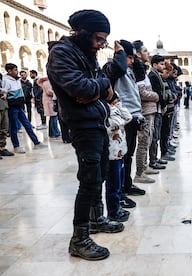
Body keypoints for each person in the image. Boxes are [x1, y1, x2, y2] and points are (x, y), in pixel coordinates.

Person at [47, 9, 124, 261]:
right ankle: (79, 239)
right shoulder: (61, 53)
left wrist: (98, 88)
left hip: (96, 121)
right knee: (89, 179)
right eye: (99, 39)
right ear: (83, 33)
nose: (101, 45)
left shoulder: (86, 53)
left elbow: (99, 83)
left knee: (99, 174)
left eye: (104, 41)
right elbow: (81, 87)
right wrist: (101, 87)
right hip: (82, 125)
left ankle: (96, 218)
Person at [103, 39, 147, 197]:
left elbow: (141, 73)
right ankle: (120, 191)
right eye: (129, 57)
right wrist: (120, 53)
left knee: (129, 155)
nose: (132, 61)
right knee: (121, 157)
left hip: (133, 116)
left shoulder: (130, 70)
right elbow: (119, 68)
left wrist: (136, 55)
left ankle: (127, 185)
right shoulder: (112, 68)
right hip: (122, 118)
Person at [2, 63, 47, 154]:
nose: (17, 71)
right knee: (14, 127)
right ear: (9, 71)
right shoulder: (6, 80)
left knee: (27, 125)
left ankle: (36, 142)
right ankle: (16, 146)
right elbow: (4, 92)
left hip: (20, 106)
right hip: (12, 107)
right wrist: (5, 95)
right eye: (15, 70)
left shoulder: (18, 80)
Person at [132, 40, 160, 184]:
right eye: (145, 51)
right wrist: (156, 96)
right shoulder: (138, 70)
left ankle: (144, 167)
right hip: (145, 111)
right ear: (137, 54)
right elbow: (142, 92)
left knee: (148, 140)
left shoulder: (142, 69)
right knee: (143, 141)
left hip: (150, 110)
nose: (148, 54)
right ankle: (139, 173)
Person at [105, 92, 132, 222]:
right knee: (113, 184)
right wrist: (114, 108)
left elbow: (128, 117)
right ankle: (113, 210)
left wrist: (119, 105)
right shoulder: (105, 110)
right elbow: (114, 124)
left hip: (120, 151)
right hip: (112, 154)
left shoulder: (115, 109)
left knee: (119, 181)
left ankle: (118, 205)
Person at [0, 82, 14, 158]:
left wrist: (5, 94)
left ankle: (2, 148)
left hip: (3, 105)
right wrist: (3, 91)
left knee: (4, 128)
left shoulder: (3, 78)